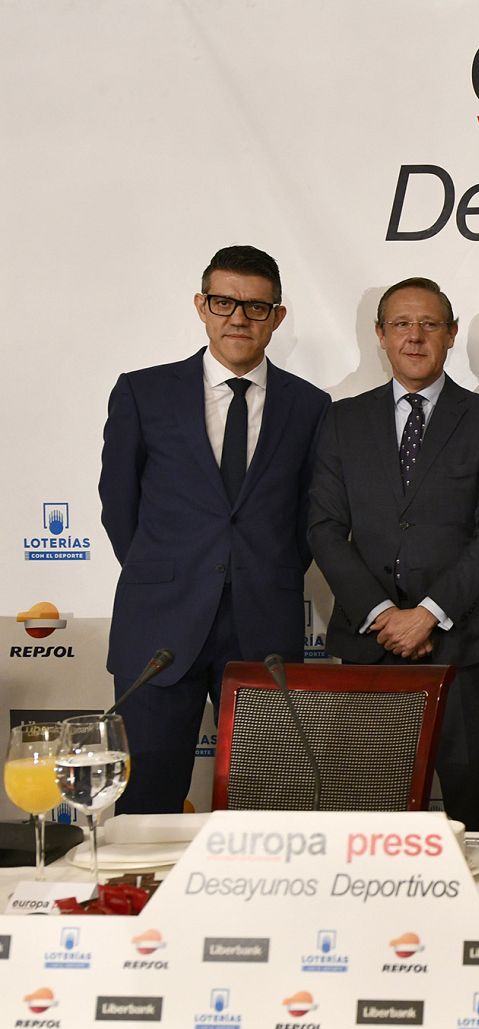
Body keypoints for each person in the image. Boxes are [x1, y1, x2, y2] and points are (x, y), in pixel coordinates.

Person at [99, 245, 329, 813]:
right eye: (224, 302)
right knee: (146, 802)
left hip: (263, 626)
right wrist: (167, 571)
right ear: (201, 306)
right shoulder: (142, 392)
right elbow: (118, 504)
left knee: (267, 805)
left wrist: (261, 571)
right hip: (159, 625)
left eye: (255, 307)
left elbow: (310, 518)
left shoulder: (311, 406)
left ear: (277, 317)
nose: (238, 318)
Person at [308, 277, 479, 830]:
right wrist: (382, 615)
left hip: (464, 645)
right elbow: (325, 529)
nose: (415, 336)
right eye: (401, 323)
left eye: (430, 324)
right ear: (380, 335)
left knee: (472, 801)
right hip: (369, 644)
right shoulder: (341, 420)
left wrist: (428, 613)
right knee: (369, 807)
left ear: (451, 334)